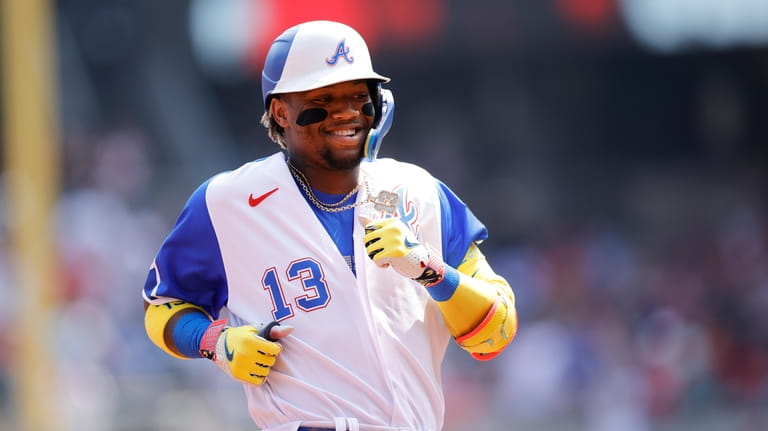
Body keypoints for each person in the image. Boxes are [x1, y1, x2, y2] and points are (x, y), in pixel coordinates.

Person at [142, 20, 517, 431]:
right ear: (281, 111)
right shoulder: (227, 202)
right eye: (325, 97)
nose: (347, 112)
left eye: (358, 95)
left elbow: (494, 332)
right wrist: (216, 342)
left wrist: (433, 271)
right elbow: (163, 307)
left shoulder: (420, 193)